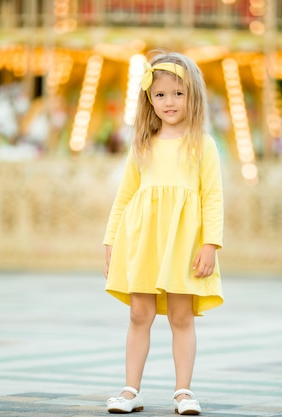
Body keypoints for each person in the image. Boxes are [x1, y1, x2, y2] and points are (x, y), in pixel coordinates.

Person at [102, 49, 224, 415]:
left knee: (180, 316)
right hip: (141, 241)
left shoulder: (202, 144)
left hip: (183, 245)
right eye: (160, 94)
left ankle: (183, 391)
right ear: (148, 99)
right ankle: (130, 390)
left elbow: (213, 197)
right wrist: (110, 241)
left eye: (178, 93)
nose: (169, 102)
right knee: (139, 314)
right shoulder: (142, 144)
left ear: (192, 96)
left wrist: (211, 243)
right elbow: (124, 197)